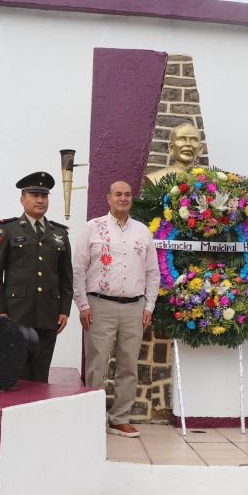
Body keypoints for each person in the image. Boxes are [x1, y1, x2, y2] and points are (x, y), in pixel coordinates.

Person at [72, 181, 160, 438]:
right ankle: (92, 418)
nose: (123, 198)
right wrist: (83, 305)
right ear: (108, 198)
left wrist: (149, 305)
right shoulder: (93, 228)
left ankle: (120, 419)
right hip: (99, 305)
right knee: (97, 365)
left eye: (127, 194)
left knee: (128, 365)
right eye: (118, 194)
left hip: (134, 307)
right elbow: (78, 269)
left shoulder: (142, 231)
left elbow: (152, 272)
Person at [0, 171, 73, 383]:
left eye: (44, 196)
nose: (40, 200)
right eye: (34, 195)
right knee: (15, 370)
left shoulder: (59, 233)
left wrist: (64, 310)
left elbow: (66, 276)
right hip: (17, 313)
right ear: (22, 199)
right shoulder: (7, 229)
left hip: (48, 314)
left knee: (41, 372)